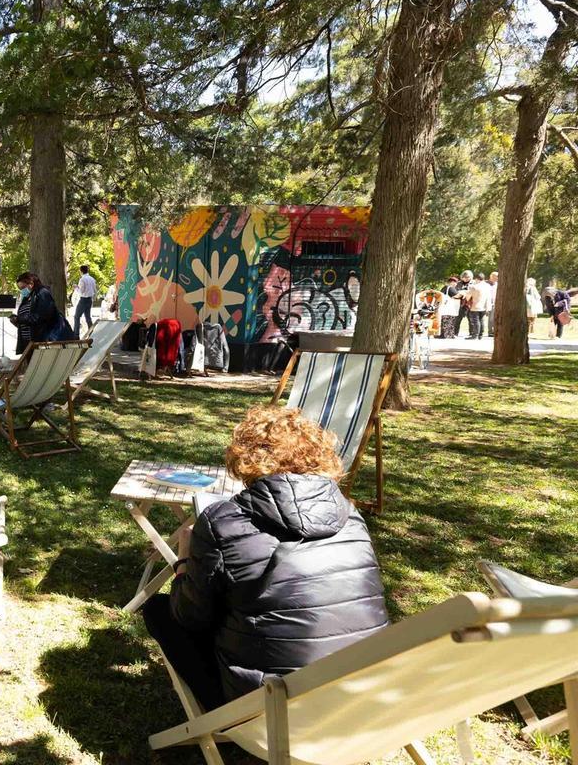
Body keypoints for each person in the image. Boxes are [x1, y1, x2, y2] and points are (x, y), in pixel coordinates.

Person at [142, 405, 389, 710]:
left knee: (159, 609)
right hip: (363, 694)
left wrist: (183, 562)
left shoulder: (223, 520)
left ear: (245, 459)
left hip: (274, 708)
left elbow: (189, 616)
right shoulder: (350, 516)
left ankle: (218, 720)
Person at [9, 272, 60, 351]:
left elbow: (40, 316)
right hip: (28, 344)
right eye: (20, 289)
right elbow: (27, 319)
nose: (22, 291)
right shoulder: (27, 297)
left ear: (31, 284)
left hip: (42, 342)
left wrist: (20, 319)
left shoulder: (42, 293)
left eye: (23, 287)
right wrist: (16, 321)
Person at [466, 272, 493, 339]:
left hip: (476, 305)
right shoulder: (488, 286)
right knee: (481, 320)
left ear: (477, 279)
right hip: (485, 306)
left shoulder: (474, 287)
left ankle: (475, 335)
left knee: (476, 321)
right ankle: (480, 335)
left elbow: (468, 296)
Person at [73, 265, 97, 337]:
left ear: (81, 271)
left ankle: (76, 335)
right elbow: (95, 291)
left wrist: (76, 288)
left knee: (77, 317)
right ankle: (92, 333)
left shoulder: (82, 280)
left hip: (83, 300)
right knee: (88, 317)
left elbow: (81, 292)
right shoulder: (92, 279)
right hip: (89, 299)